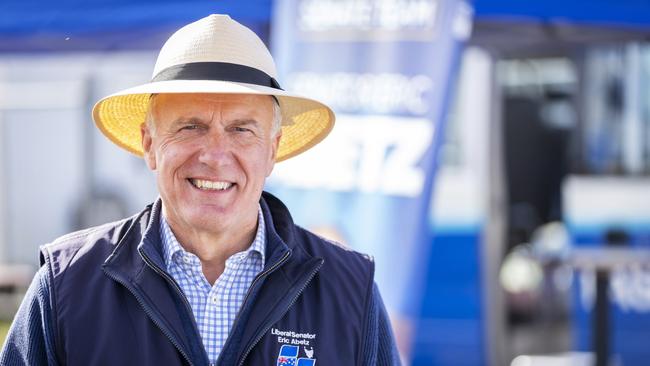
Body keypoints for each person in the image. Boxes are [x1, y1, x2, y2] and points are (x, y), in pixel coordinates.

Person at [0, 14, 400, 366]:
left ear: (272, 150)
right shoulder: (67, 283)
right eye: (191, 126)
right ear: (150, 144)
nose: (214, 154)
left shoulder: (350, 288)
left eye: (241, 129)